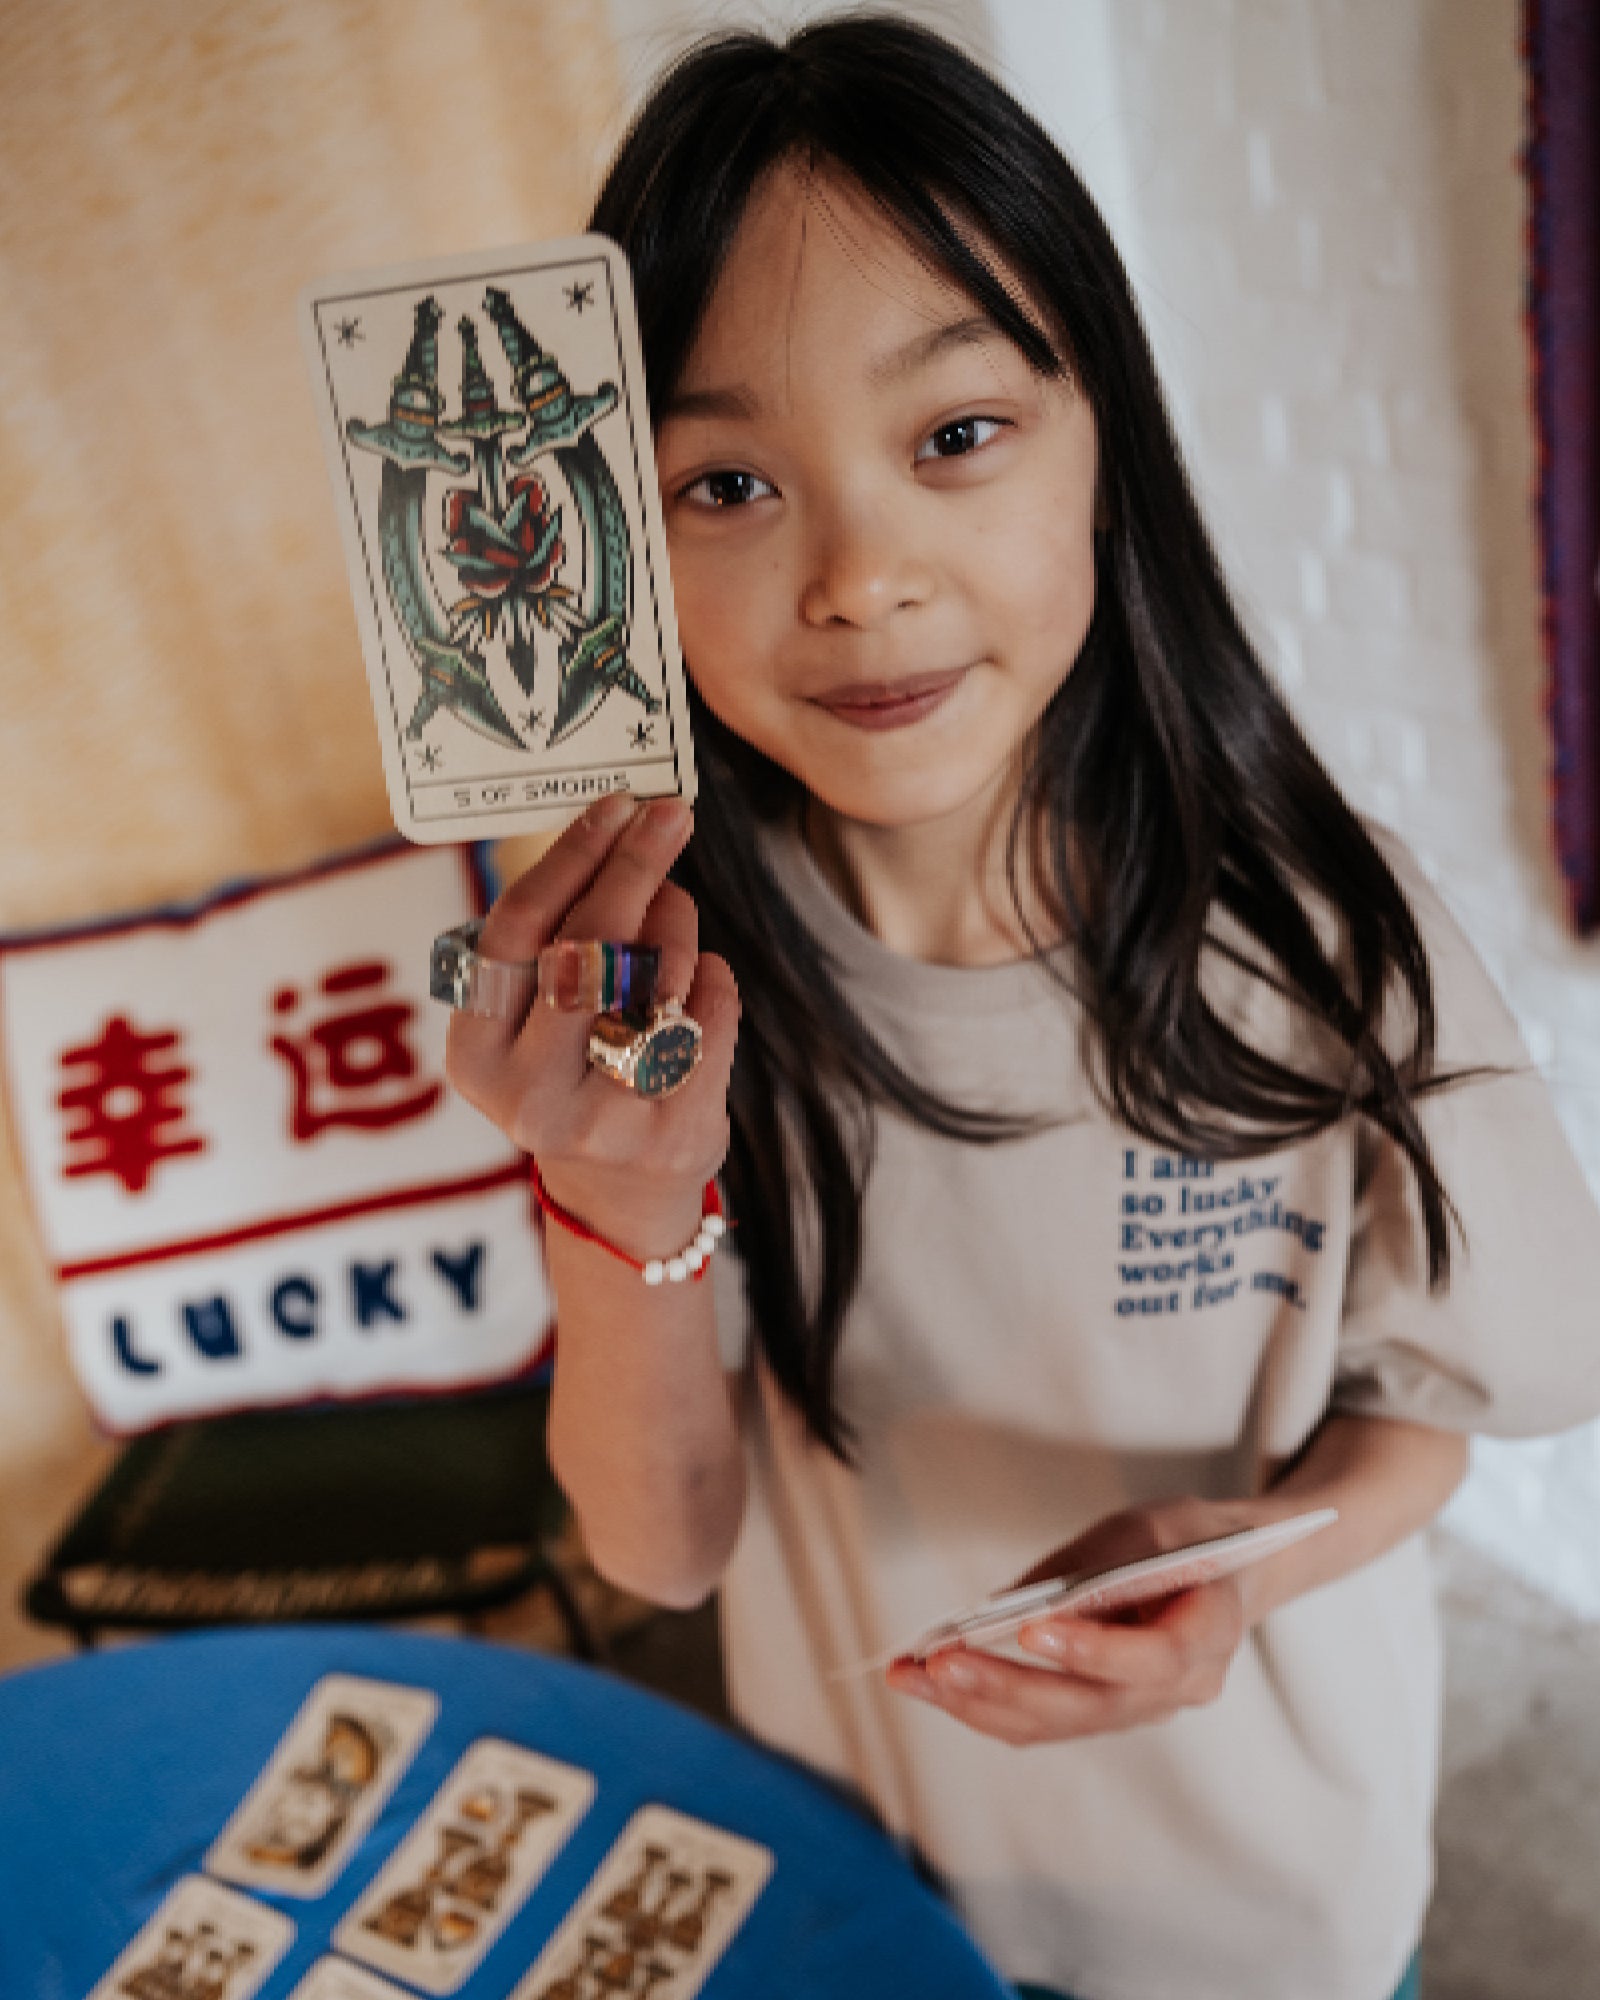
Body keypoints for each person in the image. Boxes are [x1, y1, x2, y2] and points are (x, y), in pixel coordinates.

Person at [445, 18, 1600, 2000]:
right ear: (617, 543)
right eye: (724, 480)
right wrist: (606, 1196)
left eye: (952, 436)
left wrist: (1241, 1563)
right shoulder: (662, 984)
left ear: (1101, 448)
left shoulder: (1330, 941)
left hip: (1276, 1911)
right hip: (875, 1891)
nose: (860, 573)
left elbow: (1427, 1401)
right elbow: (659, 1551)